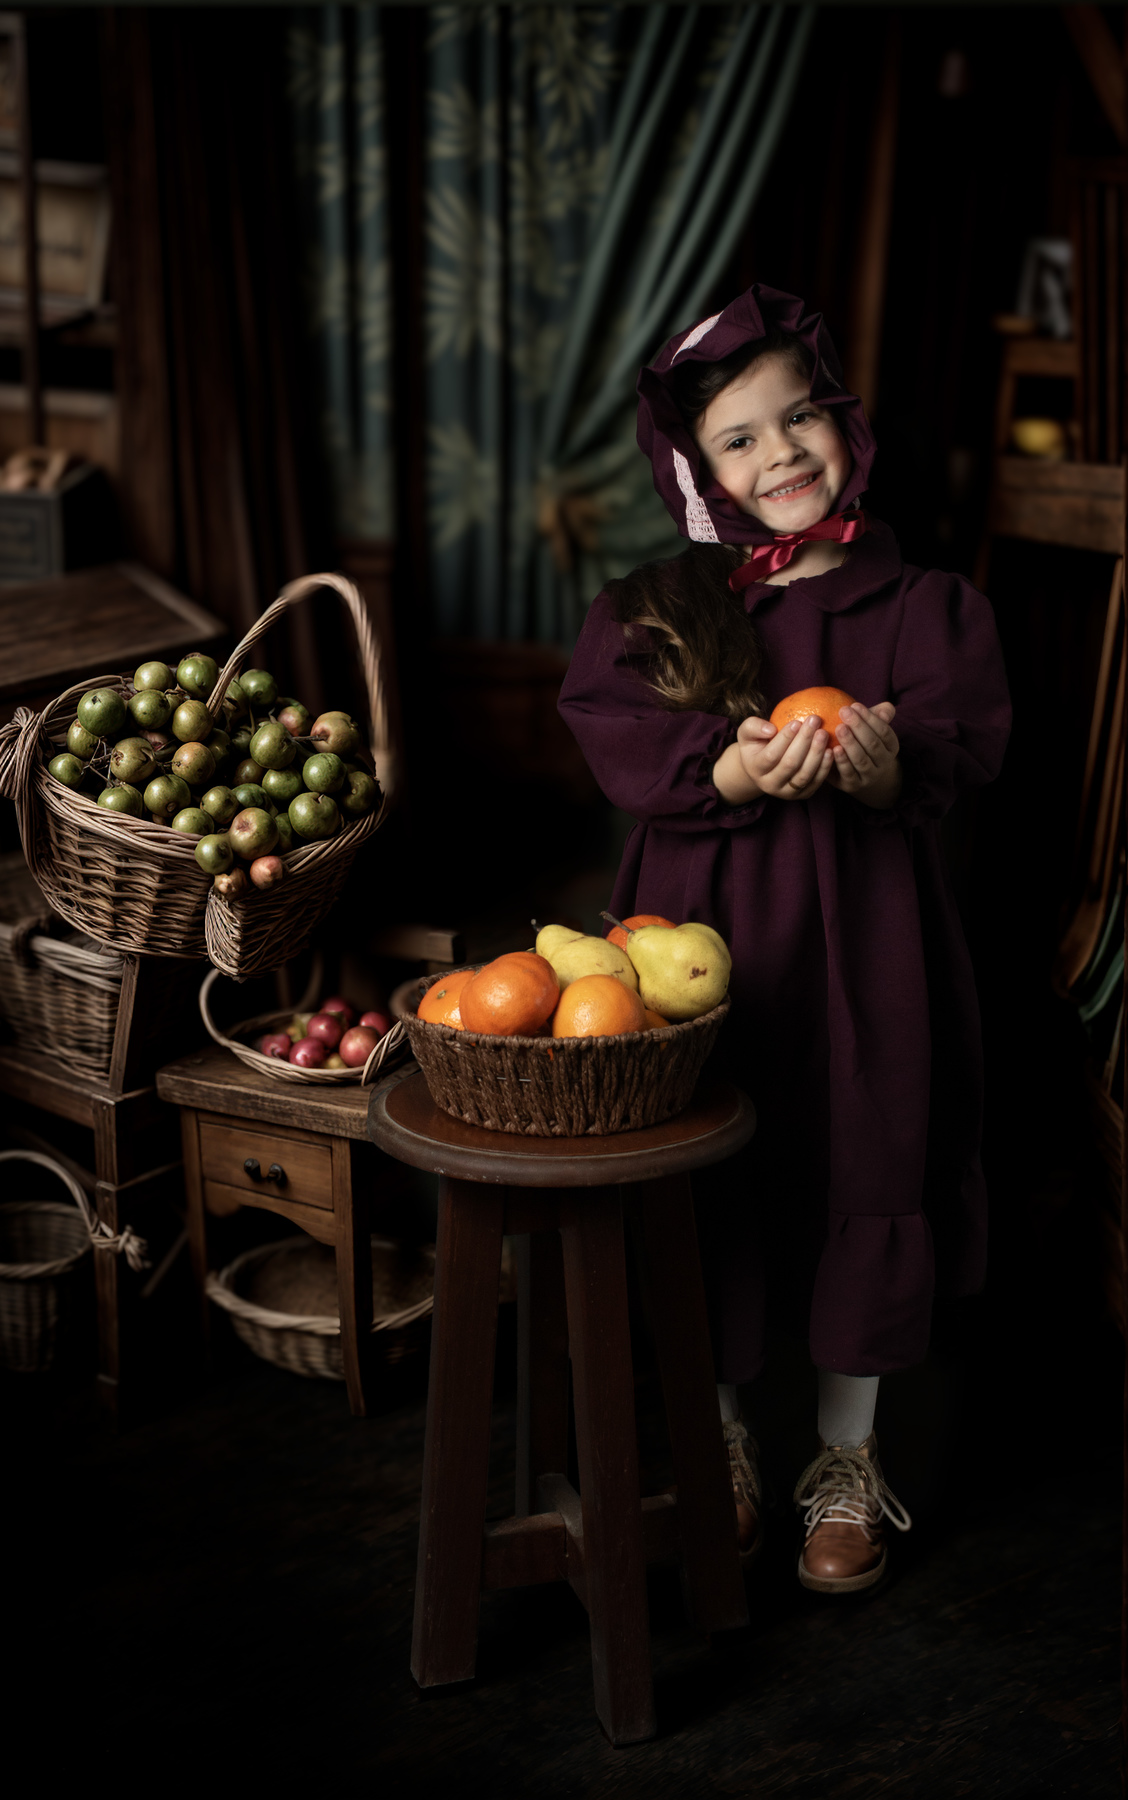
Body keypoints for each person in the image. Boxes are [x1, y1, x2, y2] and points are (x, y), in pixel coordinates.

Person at [557, 285, 1011, 1595]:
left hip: (873, 946)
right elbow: (612, 730)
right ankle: (722, 1444)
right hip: (704, 936)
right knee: (718, 1167)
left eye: (797, 415)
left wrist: (881, 767)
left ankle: (848, 1458)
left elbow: (963, 736)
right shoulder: (661, 606)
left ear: (840, 418)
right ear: (697, 473)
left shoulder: (925, 604)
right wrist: (735, 771)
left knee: (862, 1148)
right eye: (741, 439)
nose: (781, 455)